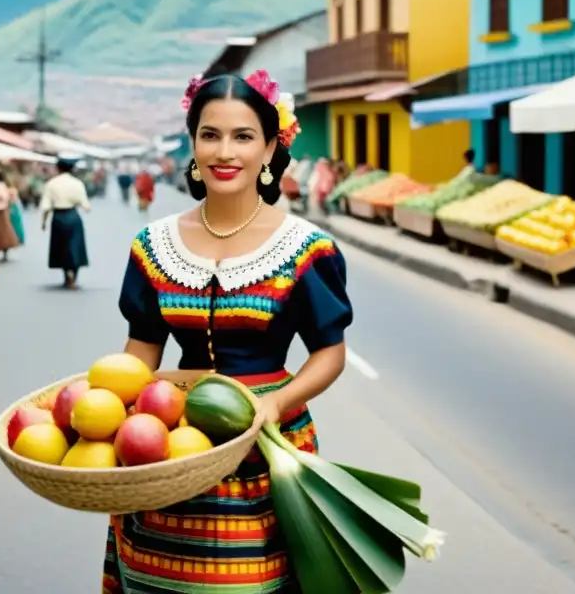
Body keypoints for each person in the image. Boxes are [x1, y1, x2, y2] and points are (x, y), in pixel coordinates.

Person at [102, 70, 353, 593]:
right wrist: (111, 413)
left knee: (250, 582)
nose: (225, 151)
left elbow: (329, 352)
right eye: (210, 134)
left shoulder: (306, 247)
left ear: (269, 148)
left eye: (243, 136)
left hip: (267, 443)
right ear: (192, 143)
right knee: (159, 577)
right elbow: (142, 349)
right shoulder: (153, 244)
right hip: (169, 442)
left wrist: (275, 405)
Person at [40, 156, 91, 289]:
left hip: (58, 217)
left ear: (58, 168)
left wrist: (44, 222)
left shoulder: (51, 184)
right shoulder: (77, 183)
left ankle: (66, 274)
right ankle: (73, 274)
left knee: (60, 246)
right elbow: (86, 206)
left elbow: (46, 206)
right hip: (73, 216)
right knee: (75, 245)